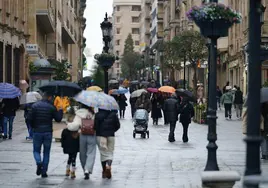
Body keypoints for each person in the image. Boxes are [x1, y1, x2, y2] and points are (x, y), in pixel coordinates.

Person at [27, 92, 63, 178]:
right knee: (46, 152)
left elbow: (29, 118)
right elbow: (58, 119)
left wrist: (33, 127)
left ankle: (39, 162)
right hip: (47, 132)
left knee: (36, 150)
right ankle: (44, 172)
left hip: (37, 131)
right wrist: (61, 110)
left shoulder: (35, 106)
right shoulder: (51, 107)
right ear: (49, 97)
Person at [67, 104, 96, 180]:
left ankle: (84, 169)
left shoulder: (79, 114)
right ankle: (87, 169)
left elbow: (75, 125)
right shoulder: (92, 113)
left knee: (82, 153)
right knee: (91, 152)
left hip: (82, 135)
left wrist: (68, 125)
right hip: (92, 134)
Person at [94, 109, 120, 179]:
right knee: (110, 152)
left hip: (100, 136)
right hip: (111, 135)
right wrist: (112, 130)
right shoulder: (114, 115)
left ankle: (104, 170)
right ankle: (109, 165)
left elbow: (95, 127)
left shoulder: (97, 115)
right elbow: (118, 125)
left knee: (103, 153)